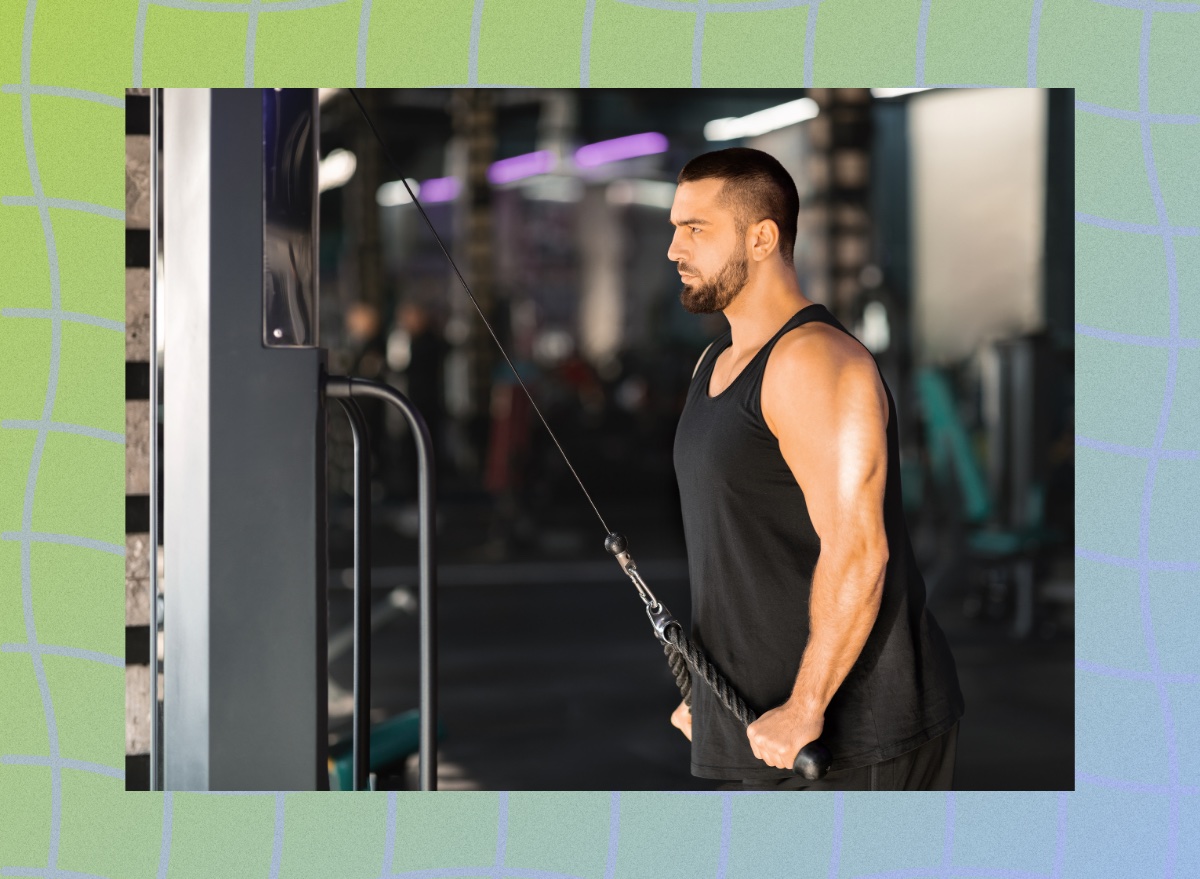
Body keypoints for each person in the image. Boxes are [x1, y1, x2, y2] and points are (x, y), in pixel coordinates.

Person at [667, 147, 965, 791]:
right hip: (762, 723)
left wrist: (805, 706)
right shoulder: (714, 365)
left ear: (762, 237)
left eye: (695, 229)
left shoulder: (815, 362)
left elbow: (859, 551)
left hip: (848, 737)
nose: (674, 249)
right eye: (675, 228)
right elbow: (742, 549)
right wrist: (715, 691)